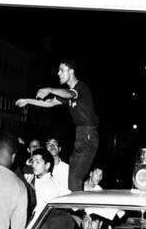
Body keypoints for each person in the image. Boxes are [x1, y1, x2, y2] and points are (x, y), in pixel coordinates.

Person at [16, 59, 99, 191]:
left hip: (88, 135)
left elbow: (69, 94)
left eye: (61, 70)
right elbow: (49, 103)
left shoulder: (80, 88)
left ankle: (76, 209)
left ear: (71, 71)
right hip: (80, 135)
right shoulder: (69, 94)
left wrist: (49, 89)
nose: (58, 73)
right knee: (73, 175)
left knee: (75, 177)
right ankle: (76, 206)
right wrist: (27, 101)